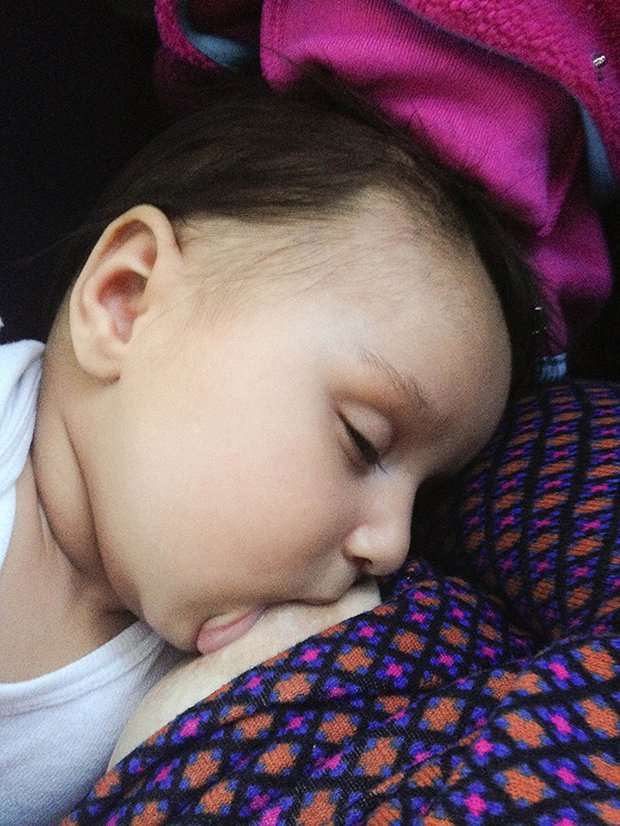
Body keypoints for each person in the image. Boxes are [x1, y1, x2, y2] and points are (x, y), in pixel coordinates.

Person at [0, 75, 539, 824]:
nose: (392, 547)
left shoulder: (210, 705)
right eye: (362, 441)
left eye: (424, 497)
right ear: (126, 303)